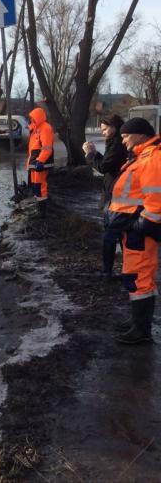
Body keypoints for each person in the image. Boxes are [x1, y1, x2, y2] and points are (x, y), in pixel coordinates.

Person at [106, 117, 161, 345]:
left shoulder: (152, 159)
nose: (123, 139)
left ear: (139, 135)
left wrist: (141, 225)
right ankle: (137, 322)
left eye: (126, 135)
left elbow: (156, 201)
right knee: (134, 276)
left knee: (140, 277)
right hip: (132, 229)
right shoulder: (142, 157)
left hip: (140, 230)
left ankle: (141, 330)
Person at [83, 114, 128, 278]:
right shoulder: (116, 143)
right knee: (121, 234)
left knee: (111, 234)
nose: (102, 133)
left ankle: (107, 271)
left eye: (104, 129)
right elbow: (109, 164)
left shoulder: (117, 145)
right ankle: (124, 268)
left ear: (113, 127)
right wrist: (95, 153)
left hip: (115, 194)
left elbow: (103, 168)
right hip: (116, 192)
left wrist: (89, 154)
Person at [26, 107, 54, 216]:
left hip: (40, 162)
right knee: (35, 186)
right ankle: (38, 208)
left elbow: (46, 147)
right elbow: (33, 148)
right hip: (35, 162)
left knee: (40, 186)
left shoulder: (45, 128)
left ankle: (42, 212)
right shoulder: (36, 129)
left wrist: (41, 161)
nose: (31, 120)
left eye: (32, 118)